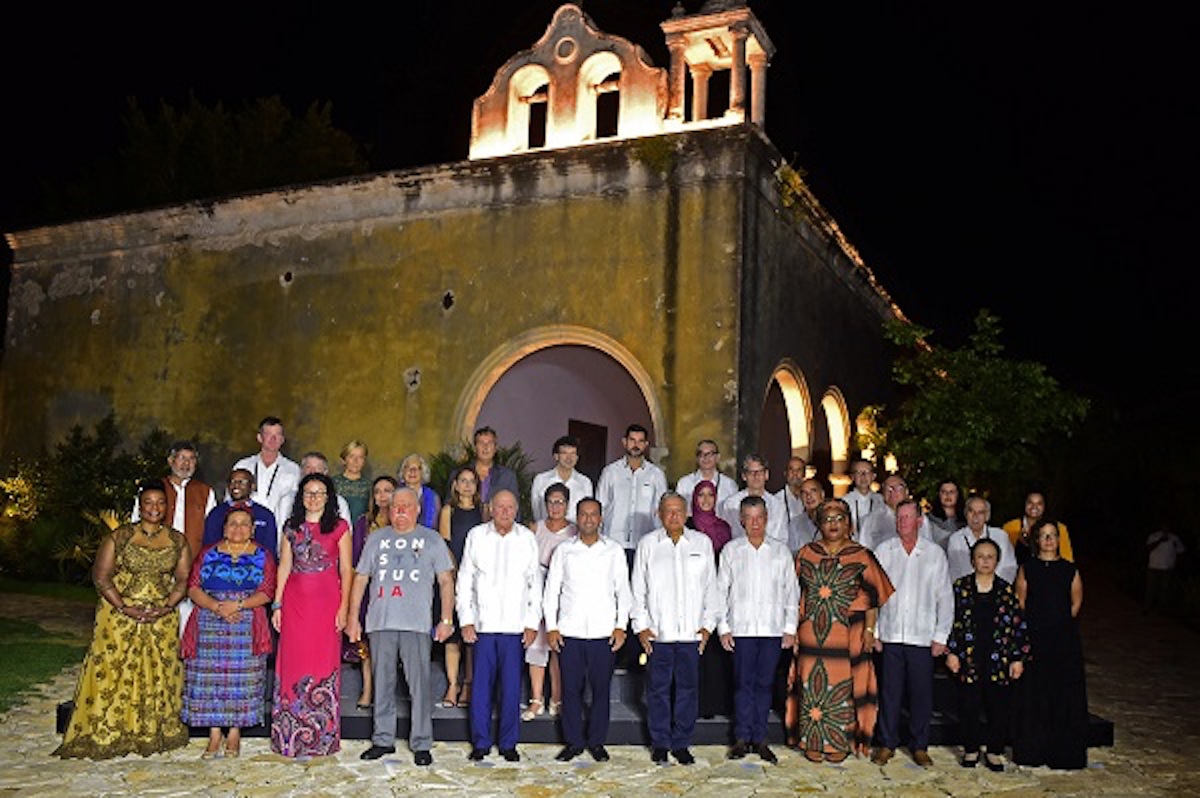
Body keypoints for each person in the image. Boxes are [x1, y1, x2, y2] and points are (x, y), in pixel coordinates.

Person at [54, 481, 192, 759]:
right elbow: (101, 577)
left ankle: (151, 731)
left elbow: (183, 579)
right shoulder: (119, 537)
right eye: (149, 502)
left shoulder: (178, 540)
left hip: (160, 618)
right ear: (140, 506)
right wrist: (125, 608)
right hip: (120, 616)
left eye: (160, 502)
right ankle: (109, 731)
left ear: (167, 507)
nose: (155, 507)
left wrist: (166, 607)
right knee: (114, 670)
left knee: (158, 673)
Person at [349, 488, 456, 766]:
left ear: (417, 509)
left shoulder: (432, 540)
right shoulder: (376, 539)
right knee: (381, 683)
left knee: (418, 686)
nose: (400, 511)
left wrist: (446, 620)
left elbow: (446, 581)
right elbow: (360, 579)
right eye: (395, 506)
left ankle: (421, 742)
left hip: (416, 623)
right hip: (380, 621)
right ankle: (383, 739)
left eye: (406, 506)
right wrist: (352, 618)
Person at [791, 498, 894, 762]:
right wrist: (791, 630)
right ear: (819, 524)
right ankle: (812, 740)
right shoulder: (806, 554)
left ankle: (840, 742)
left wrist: (870, 630)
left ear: (848, 523)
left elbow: (874, 597)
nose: (833, 524)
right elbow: (793, 596)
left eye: (839, 518)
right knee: (812, 686)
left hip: (849, 636)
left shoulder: (862, 555)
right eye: (827, 519)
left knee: (843, 687)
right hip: (811, 635)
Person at [631, 492, 720, 765]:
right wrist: (641, 627)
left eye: (679, 511)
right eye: (668, 511)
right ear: (659, 515)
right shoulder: (648, 544)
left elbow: (711, 588)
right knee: (657, 690)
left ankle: (681, 743)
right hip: (659, 634)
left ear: (686, 513)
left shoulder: (702, 543)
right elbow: (638, 590)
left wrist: (707, 626)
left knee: (688, 690)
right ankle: (660, 743)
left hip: (691, 634)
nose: (674, 516)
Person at [181, 508, 277, 759]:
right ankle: (214, 734)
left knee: (242, 680)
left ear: (253, 529)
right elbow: (193, 587)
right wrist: (216, 607)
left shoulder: (263, 555)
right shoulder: (208, 553)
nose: (238, 528)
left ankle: (234, 733)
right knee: (210, 679)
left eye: (244, 524)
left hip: (246, 622)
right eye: (232, 523)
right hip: (210, 620)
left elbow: (268, 590)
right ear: (224, 528)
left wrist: (239, 605)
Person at [270, 473, 352, 757]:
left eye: (319, 492)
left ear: (328, 497)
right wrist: (277, 605)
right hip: (294, 605)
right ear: (300, 496)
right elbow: (283, 567)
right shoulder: (291, 527)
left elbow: (345, 570)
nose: (313, 498)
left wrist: (344, 609)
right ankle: (289, 736)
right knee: (292, 663)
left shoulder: (339, 528)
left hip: (327, 605)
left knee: (323, 665)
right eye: (308, 492)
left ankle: (322, 738)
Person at [544, 497, 632, 762]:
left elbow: (623, 592)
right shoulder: (564, 551)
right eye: (584, 514)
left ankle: (597, 741)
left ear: (601, 518)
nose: (589, 519)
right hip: (570, 632)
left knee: (601, 690)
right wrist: (552, 627)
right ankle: (573, 742)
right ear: (577, 517)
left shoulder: (614, 551)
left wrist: (620, 626)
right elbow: (551, 592)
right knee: (570, 690)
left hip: (603, 632)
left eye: (594, 514)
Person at [456, 490, 542, 762]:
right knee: (480, 688)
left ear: (516, 510)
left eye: (510, 507)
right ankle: (480, 742)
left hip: (515, 627)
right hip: (484, 625)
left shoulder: (527, 539)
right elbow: (465, 580)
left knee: (511, 688)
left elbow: (535, 584)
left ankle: (508, 743)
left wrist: (531, 623)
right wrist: (466, 620)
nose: (505, 512)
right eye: (500, 507)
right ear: (490, 508)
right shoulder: (477, 536)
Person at [871, 499, 953, 768]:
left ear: (919, 521)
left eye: (908, 517)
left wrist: (941, 636)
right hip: (892, 634)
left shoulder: (934, 554)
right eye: (899, 517)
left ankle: (919, 745)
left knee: (921, 694)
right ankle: (886, 743)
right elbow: (874, 594)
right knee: (890, 693)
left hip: (922, 636)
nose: (902, 522)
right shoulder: (884, 550)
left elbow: (945, 598)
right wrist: (877, 632)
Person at [717, 496, 799, 765]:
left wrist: (789, 628)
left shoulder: (780, 551)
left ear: (767, 519)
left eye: (759, 517)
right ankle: (741, 738)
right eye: (749, 518)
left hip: (771, 629)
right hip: (741, 628)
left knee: (764, 685)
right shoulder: (731, 551)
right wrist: (724, 627)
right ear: (741, 520)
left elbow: (791, 592)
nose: (754, 523)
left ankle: (760, 739)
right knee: (743, 685)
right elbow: (720, 591)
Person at [945, 537, 1028, 771]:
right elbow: (950, 622)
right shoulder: (959, 588)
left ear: (997, 561)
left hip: (998, 659)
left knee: (998, 707)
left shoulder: (1006, 591)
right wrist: (951, 652)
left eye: (990, 557)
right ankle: (971, 749)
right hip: (968, 658)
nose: (985, 561)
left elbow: (1017, 626)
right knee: (968, 705)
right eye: (980, 556)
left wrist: (1016, 659)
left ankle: (993, 751)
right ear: (972, 560)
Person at [1012, 519, 1088, 770]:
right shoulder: (1027, 568)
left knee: (1062, 694)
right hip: (1034, 639)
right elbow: (1020, 601)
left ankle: (1063, 752)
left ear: (1058, 539)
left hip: (1063, 642)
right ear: (1037, 540)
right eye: (1043, 535)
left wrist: (1058, 625)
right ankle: (1033, 750)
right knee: (1035, 693)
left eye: (1052, 535)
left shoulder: (1070, 570)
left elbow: (1075, 604)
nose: (1048, 540)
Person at [522, 483, 577, 721]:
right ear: (545, 505)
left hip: (564, 591)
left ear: (567, 504)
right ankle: (536, 700)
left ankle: (557, 698)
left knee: (557, 645)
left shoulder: (574, 530)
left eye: (560, 502)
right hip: (537, 586)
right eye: (551, 502)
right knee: (537, 645)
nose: (555, 507)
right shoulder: (535, 528)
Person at [346, 475, 398, 710]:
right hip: (369, 589)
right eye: (378, 491)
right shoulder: (363, 523)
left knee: (389, 643)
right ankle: (368, 689)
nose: (383, 496)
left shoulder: (403, 521)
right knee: (367, 643)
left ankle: (385, 693)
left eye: (388, 490)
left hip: (396, 590)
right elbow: (356, 558)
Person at [686, 479, 732, 720]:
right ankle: (694, 704)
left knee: (714, 652)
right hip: (693, 592)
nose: (705, 499)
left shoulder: (723, 528)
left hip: (718, 592)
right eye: (701, 495)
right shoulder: (687, 525)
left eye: (710, 495)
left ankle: (713, 704)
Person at [438, 466, 483, 709]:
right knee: (453, 634)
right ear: (455, 485)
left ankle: (469, 684)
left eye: (471, 481)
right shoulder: (448, 510)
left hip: (478, 579)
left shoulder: (484, 510)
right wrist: (455, 576)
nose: (467, 485)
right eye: (462, 481)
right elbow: (444, 545)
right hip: (454, 577)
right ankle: (452, 685)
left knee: (472, 634)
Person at [597, 424, 669, 569]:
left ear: (646, 444)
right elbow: (600, 506)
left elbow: (661, 510)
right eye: (632, 440)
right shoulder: (610, 472)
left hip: (645, 542)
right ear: (624, 442)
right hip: (613, 541)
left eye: (640, 441)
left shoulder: (656, 475)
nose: (636, 445)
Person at [131, 440, 216, 560]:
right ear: (170, 461)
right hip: (156, 558)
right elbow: (136, 523)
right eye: (182, 458)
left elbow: (211, 531)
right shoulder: (152, 488)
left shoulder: (205, 492)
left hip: (192, 560)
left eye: (191, 459)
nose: (186, 463)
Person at [233, 416, 301, 530]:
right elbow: (229, 502)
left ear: (282, 439)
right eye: (268, 434)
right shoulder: (243, 466)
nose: (273, 439)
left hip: (279, 531)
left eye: (277, 435)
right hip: (244, 531)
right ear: (259, 437)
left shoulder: (293, 470)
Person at [203, 468, 278, 556]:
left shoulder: (265, 515)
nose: (236, 485)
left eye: (242, 482)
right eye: (232, 481)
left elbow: (270, 551)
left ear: (253, 486)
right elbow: (209, 547)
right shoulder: (216, 513)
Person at [274, 452, 353, 534]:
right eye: (308, 467)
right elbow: (280, 532)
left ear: (325, 472)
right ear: (301, 471)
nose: (312, 471)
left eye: (318, 467)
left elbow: (346, 535)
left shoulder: (339, 502)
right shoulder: (287, 500)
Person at [718, 454, 787, 546]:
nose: (756, 476)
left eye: (760, 472)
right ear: (744, 476)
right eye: (751, 472)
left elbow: (782, 539)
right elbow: (726, 536)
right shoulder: (730, 504)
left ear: (766, 475)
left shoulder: (778, 506)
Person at [946, 496, 1017, 583]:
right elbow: (953, 571)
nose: (975, 516)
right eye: (971, 511)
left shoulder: (1001, 536)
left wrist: (996, 586)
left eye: (980, 512)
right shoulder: (955, 539)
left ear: (987, 516)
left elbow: (1009, 567)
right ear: (966, 514)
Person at [858, 475, 933, 551]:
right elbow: (863, 549)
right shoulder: (872, 520)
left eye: (898, 488)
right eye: (888, 489)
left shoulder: (919, 517)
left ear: (906, 492)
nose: (893, 492)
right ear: (883, 494)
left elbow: (928, 546)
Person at [530, 435, 593, 521]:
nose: (569, 458)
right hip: (547, 531)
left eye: (573, 453)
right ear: (556, 456)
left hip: (575, 532)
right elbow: (536, 511)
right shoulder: (541, 480)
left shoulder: (585, 482)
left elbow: (587, 510)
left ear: (577, 457)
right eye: (564, 453)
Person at [1003, 489, 1074, 564]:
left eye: (1039, 503)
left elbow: (1068, 559)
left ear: (1045, 506)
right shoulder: (1009, 527)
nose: (1034, 507)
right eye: (1030, 502)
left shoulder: (1059, 528)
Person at [467, 426, 520, 516]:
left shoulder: (507, 476)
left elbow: (515, 509)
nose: (485, 447)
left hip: (496, 527)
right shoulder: (461, 474)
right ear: (475, 448)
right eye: (481, 443)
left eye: (490, 443)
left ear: (495, 448)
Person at [675, 439, 738, 513]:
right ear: (697, 458)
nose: (705, 458)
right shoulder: (684, 483)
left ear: (718, 457)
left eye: (710, 454)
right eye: (701, 454)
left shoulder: (729, 485)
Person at [1145, 523, 1186, 613]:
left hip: (1168, 568)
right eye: (1164, 525)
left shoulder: (1174, 537)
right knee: (1151, 588)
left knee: (1165, 590)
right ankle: (1147, 608)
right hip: (1154, 567)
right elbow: (1148, 548)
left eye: (1167, 526)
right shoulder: (1154, 535)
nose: (1166, 527)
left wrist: (1176, 545)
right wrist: (1160, 540)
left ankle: (1162, 610)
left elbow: (1181, 550)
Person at [843, 457, 885, 536]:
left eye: (867, 472)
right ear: (852, 477)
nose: (863, 476)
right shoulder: (844, 502)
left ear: (873, 476)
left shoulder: (881, 500)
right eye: (859, 472)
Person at [332, 440, 372, 523]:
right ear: (343, 460)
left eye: (360, 457)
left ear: (364, 461)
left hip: (361, 532)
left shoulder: (369, 485)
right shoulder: (333, 483)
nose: (356, 461)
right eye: (351, 456)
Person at [398, 453, 441, 528]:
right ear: (403, 472)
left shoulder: (433, 497)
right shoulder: (395, 495)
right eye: (408, 467)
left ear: (423, 473)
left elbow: (434, 527)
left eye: (418, 468)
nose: (412, 471)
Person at [927, 479, 967, 549]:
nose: (947, 495)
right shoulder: (928, 521)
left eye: (951, 492)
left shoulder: (966, 520)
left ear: (958, 495)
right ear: (939, 495)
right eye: (943, 492)